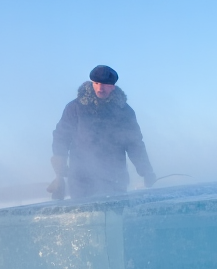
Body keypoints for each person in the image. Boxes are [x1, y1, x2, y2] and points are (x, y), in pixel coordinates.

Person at [49, 65, 156, 199]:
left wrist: (146, 171)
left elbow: (135, 144)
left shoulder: (124, 112)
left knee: (114, 217)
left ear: (113, 86)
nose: (100, 88)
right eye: (97, 83)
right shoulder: (75, 108)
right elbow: (61, 137)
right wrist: (59, 173)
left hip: (115, 177)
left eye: (105, 84)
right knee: (85, 217)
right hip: (81, 179)